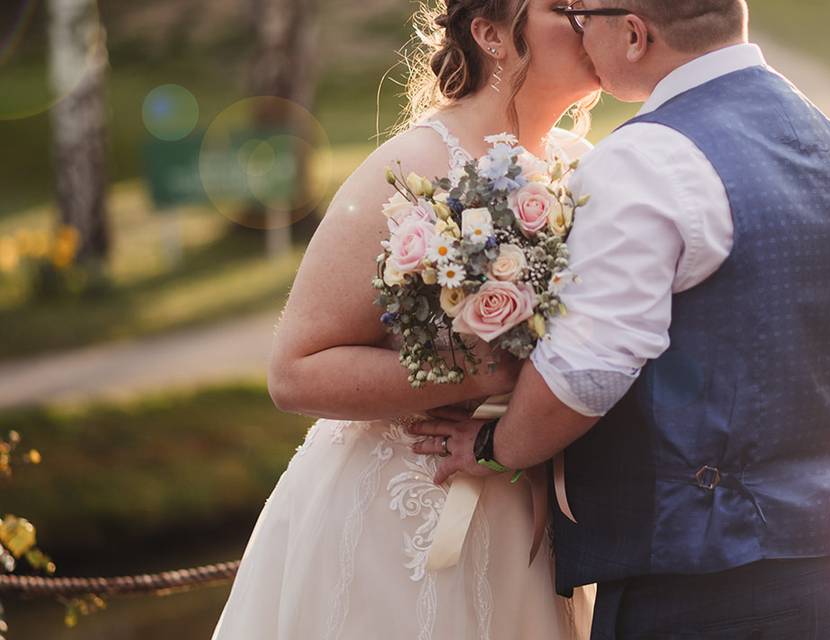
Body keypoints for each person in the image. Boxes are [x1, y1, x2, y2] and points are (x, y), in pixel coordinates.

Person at [409, 1, 830, 638]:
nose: (579, 31)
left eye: (585, 16)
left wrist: (495, 446)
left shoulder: (647, 156)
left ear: (633, 33)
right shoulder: (827, 137)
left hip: (699, 587)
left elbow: (588, 371)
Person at [211, 1, 601, 638]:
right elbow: (295, 371)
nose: (598, 18)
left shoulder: (583, 165)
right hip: (403, 519)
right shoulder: (412, 168)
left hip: (527, 514)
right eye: (568, 8)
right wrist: (482, 374)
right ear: (491, 34)